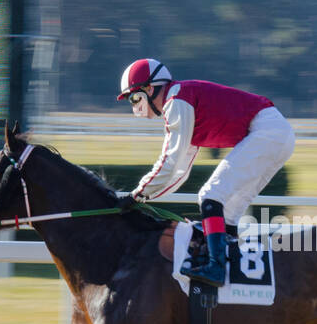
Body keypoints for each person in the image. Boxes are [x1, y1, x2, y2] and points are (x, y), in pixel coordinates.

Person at [116, 58, 296, 287]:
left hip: (268, 131)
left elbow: (169, 163)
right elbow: (180, 171)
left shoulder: (176, 101)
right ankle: (230, 274)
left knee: (210, 196)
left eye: (134, 97)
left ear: (150, 89)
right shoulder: (182, 105)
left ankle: (217, 269)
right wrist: (144, 197)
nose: (134, 105)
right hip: (277, 133)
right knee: (227, 214)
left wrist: (136, 195)